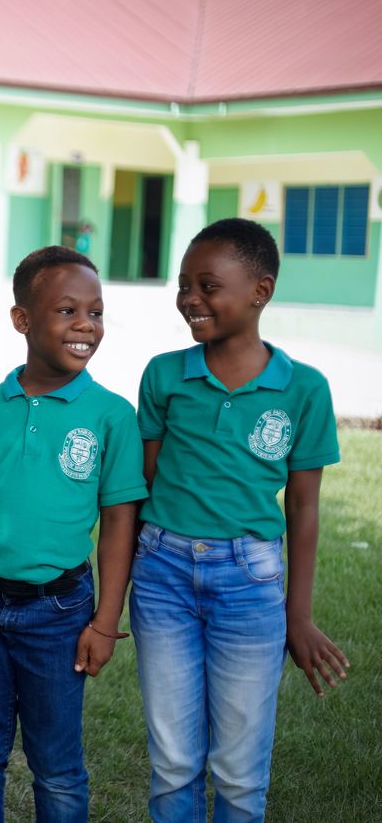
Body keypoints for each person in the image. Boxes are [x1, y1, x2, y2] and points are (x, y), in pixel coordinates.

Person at [130, 218, 348, 822]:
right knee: (173, 762)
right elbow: (141, 489)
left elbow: (304, 508)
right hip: (162, 574)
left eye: (207, 286)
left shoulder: (304, 389)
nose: (189, 301)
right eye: (182, 287)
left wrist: (296, 614)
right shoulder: (164, 375)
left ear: (261, 291)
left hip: (249, 584)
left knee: (240, 773)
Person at [0, 245, 146, 822]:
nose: (85, 326)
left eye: (95, 313)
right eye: (67, 311)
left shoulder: (109, 414)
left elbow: (120, 522)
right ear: (22, 320)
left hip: (59, 610)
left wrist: (105, 620)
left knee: (56, 764)